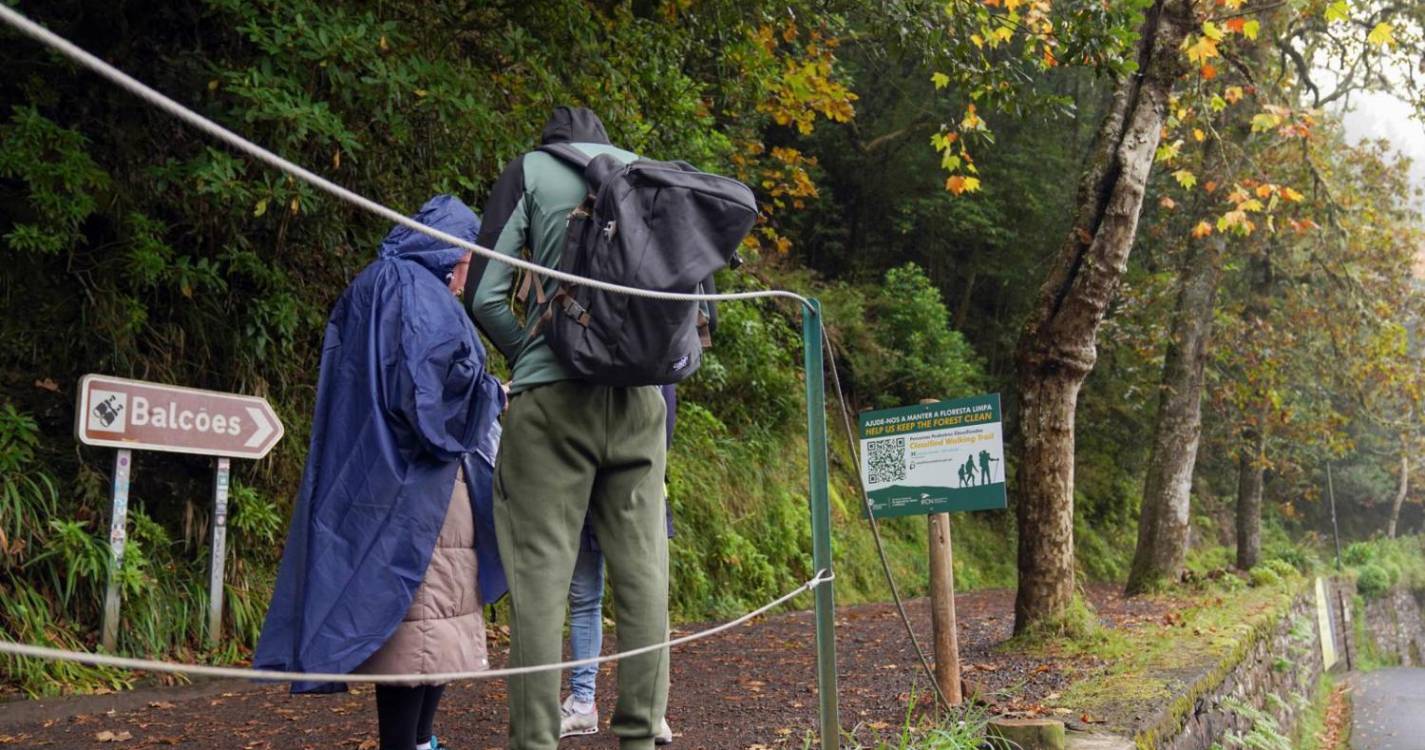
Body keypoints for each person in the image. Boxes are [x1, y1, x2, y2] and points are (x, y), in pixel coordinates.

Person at [255, 195, 505, 750]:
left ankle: (419, 740)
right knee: (425, 627)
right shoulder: (420, 294)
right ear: (453, 253)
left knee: (424, 624)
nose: (468, 280)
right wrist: (492, 394)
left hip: (374, 475)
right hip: (421, 490)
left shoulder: (374, 283)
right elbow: (431, 400)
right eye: (470, 264)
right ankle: (409, 742)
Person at [470, 106, 670, 750]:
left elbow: (484, 293)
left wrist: (530, 353)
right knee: (643, 576)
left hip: (552, 401)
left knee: (540, 580)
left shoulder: (530, 171)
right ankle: (640, 735)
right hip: (639, 400)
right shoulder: (649, 174)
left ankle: (536, 739)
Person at [560, 385, 678, 744]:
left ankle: (649, 710)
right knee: (589, 597)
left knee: (643, 599)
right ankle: (585, 702)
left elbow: (665, 416)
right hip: (591, 482)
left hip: (631, 485)